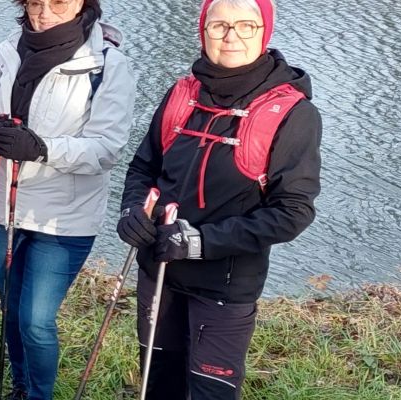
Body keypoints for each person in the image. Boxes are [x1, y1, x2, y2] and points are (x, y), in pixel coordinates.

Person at [118, 0, 320, 398]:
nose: (232, 37)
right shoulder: (182, 93)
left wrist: (201, 242)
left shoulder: (293, 113)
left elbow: (293, 211)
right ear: (202, 31)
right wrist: (131, 211)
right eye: (219, 26)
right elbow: (143, 168)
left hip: (225, 286)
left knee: (210, 393)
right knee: (156, 385)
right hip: (158, 272)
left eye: (246, 25)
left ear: (265, 32)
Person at [0, 0, 136, 398]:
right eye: (35, 3)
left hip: (64, 219)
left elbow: (106, 149)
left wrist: (41, 148)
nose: (43, 13)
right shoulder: (10, 48)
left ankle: (39, 396)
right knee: (12, 313)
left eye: (57, 3)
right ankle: (20, 388)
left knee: (36, 320)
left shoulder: (107, 64)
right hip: (7, 209)